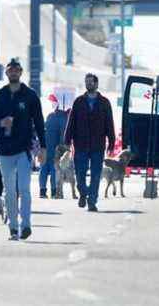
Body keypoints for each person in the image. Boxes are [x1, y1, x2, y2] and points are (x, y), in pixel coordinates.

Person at [0, 58, 46, 241]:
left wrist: (43, 147)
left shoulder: (30, 95)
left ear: (21, 72)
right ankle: (13, 227)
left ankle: (25, 224)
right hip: (4, 150)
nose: (13, 73)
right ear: (6, 73)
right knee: (10, 191)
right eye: (10, 70)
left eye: (16, 70)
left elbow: (39, 122)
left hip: (23, 150)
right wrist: (0, 123)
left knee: (24, 189)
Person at [65, 73, 115, 212]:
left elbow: (109, 123)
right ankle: (83, 193)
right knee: (80, 173)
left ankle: (92, 201)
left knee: (96, 174)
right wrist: (67, 140)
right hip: (80, 144)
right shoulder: (79, 102)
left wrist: (111, 142)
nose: (89, 84)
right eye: (87, 82)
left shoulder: (104, 102)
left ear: (97, 84)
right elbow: (71, 122)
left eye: (91, 82)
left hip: (97, 145)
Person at [39, 101, 69, 198]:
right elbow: (63, 135)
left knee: (43, 168)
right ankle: (53, 191)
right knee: (53, 169)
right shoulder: (63, 118)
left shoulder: (50, 116)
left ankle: (42, 191)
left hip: (44, 145)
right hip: (55, 147)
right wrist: (63, 148)